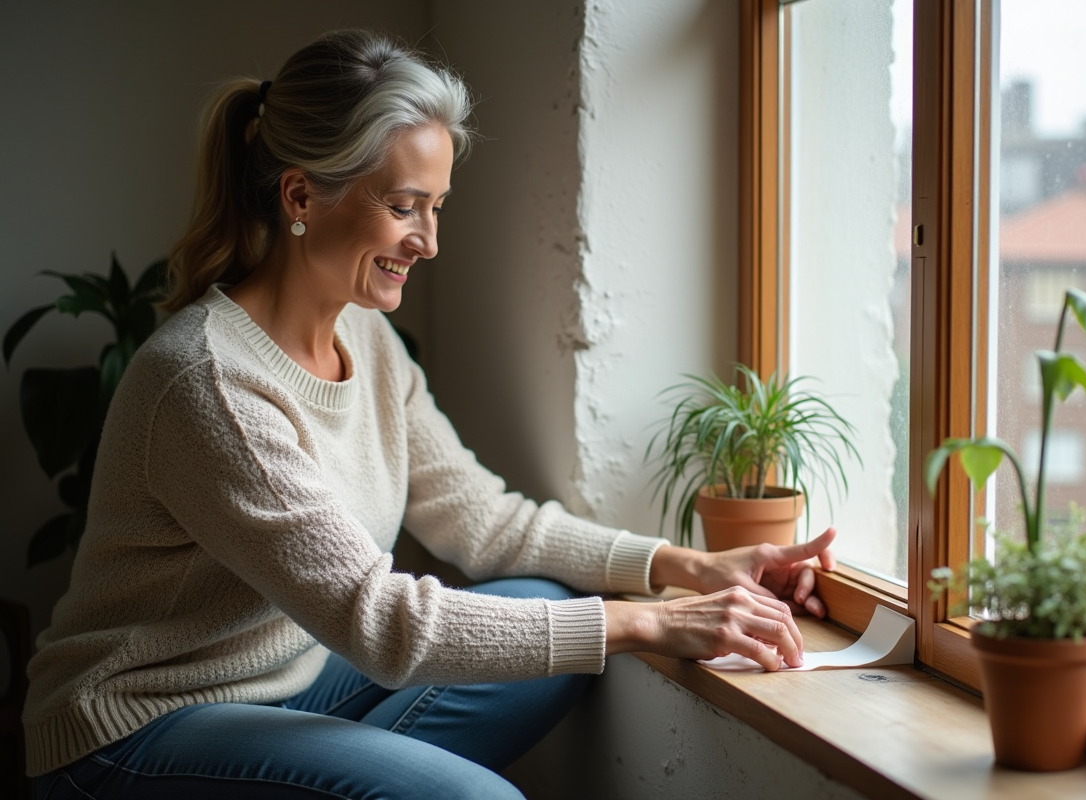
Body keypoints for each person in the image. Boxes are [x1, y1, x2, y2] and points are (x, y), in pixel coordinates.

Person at [23, 29, 838, 799]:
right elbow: (380, 622)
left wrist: (687, 567)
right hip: (135, 734)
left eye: (437, 206)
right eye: (406, 205)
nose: (429, 240)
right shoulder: (209, 381)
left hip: (290, 684)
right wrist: (652, 625)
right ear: (301, 195)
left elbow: (483, 521)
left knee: (548, 608)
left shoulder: (367, 339)